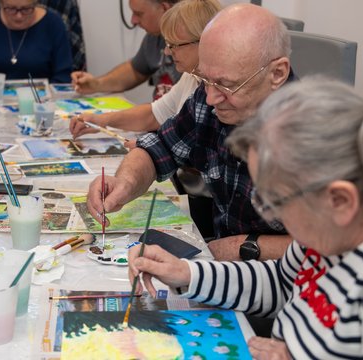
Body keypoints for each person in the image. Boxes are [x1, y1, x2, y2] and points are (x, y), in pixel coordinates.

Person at [129, 77, 363, 358]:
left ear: (341, 200)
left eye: (276, 201)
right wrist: (187, 273)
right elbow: (283, 282)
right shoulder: (338, 224)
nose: (267, 213)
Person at [85, 4, 295, 261]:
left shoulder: (316, 135)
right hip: (222, 267)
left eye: (226, 85)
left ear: (277, 73)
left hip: (286, 282)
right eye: (205, 80)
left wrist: (244, 246)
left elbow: (338, 248)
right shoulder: (211, 98)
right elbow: (157, 148)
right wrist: (125, 183)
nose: (210, 97)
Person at [69, 0, 222, 139]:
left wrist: (151, 149)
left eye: (174, 45)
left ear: (202, 42)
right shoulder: (190, 76)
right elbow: (154, 114)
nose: (167, 51)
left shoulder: (219, 89)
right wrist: (101, 119)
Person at [71, 0, 181, 99]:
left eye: (139, 14)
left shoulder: (193, 43)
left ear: (165, 9)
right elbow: (135, 71)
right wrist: (96, 84)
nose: (133, 21)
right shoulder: (154, 36)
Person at [0, 0, 72, 82]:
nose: (19, 16)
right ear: (1, 4)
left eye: (26, 9)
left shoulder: (53, 24)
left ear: (35, 4)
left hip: (41, 103)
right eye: (11, 9)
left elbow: (63, 76)